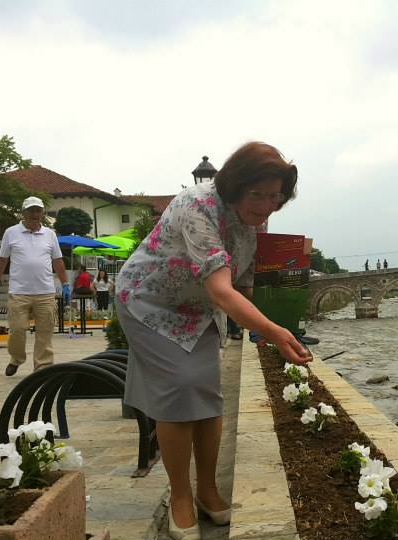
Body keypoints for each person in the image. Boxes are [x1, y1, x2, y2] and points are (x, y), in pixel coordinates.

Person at [114, 141, 312, 539]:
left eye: (275, 197)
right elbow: (224, 290)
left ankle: (207, 490)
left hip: (198, 308)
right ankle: (181, 496)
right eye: (257, 195)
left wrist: (287, 293)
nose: (266, 206)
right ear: (234, 186)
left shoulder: (256, 219)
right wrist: (273, 331)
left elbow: (244, 282)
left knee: (207, 395)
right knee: (180, 390)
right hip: (149, 302)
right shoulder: (197, 205)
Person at [0, 196, 70, 376]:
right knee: (17, 329)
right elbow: (2, 260)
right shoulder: (11, 232)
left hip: (45, 291)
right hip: (19, 291)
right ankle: (16, 358)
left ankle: (43, 366)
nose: (35, 214)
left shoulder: (50, 234)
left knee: (45, 331)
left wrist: (65, 284)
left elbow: (58, 261)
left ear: (42, 213)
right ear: (23, 213)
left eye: (38, 210)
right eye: (31, 210)